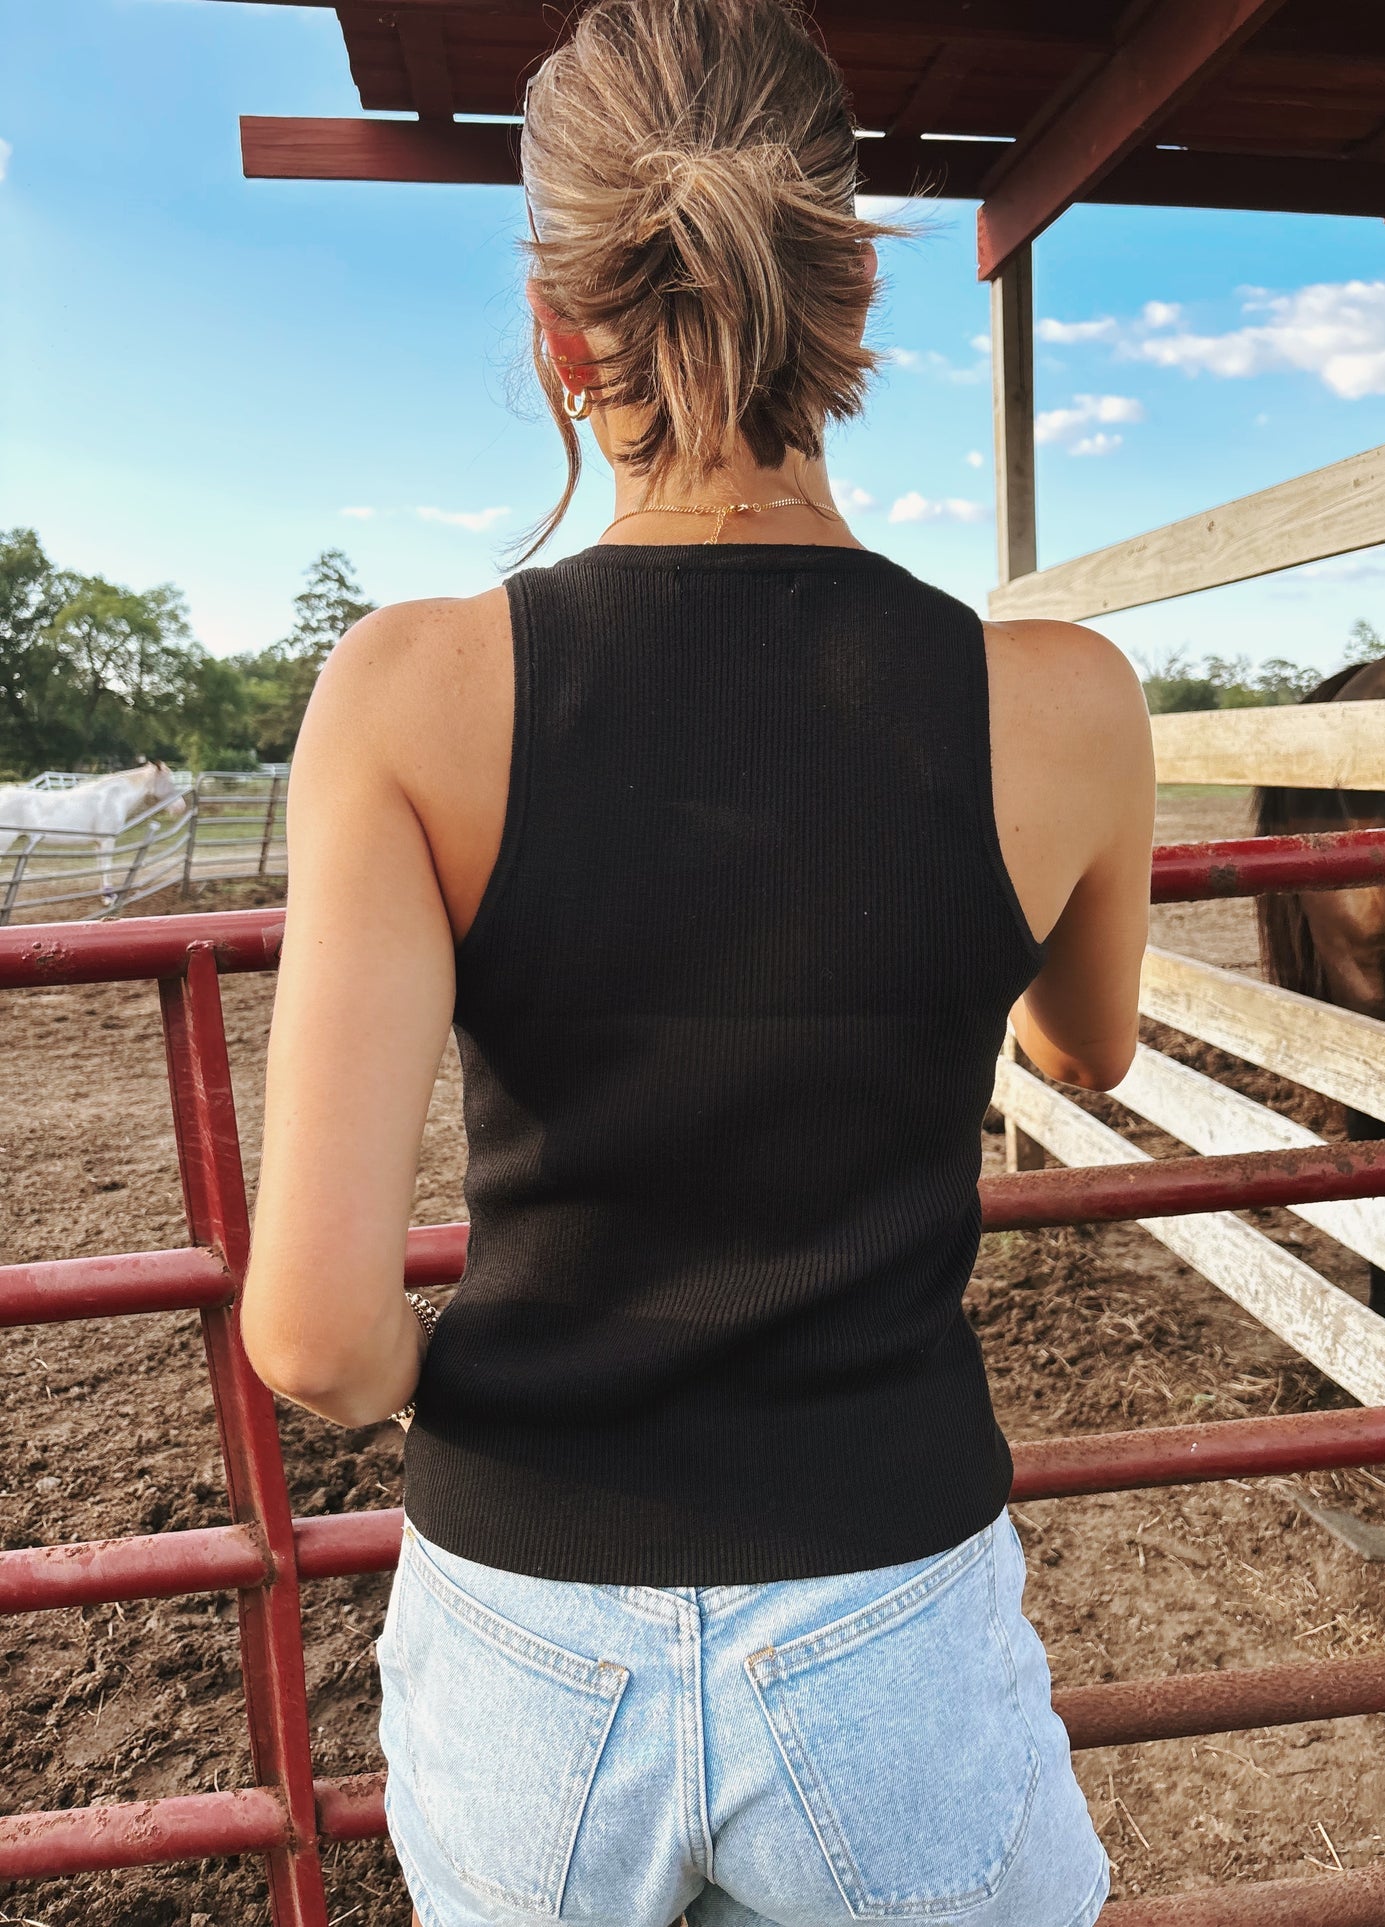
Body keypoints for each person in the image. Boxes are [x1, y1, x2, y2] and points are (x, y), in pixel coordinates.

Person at [239, 0, 1154, 1921]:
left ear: (560, 336)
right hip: (887, 1611)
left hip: (521, 1645)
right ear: (841, 310)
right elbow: (1088, 1053)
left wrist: (526, 1404)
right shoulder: (1062, 707)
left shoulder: (411, 691)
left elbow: (314, 1337)